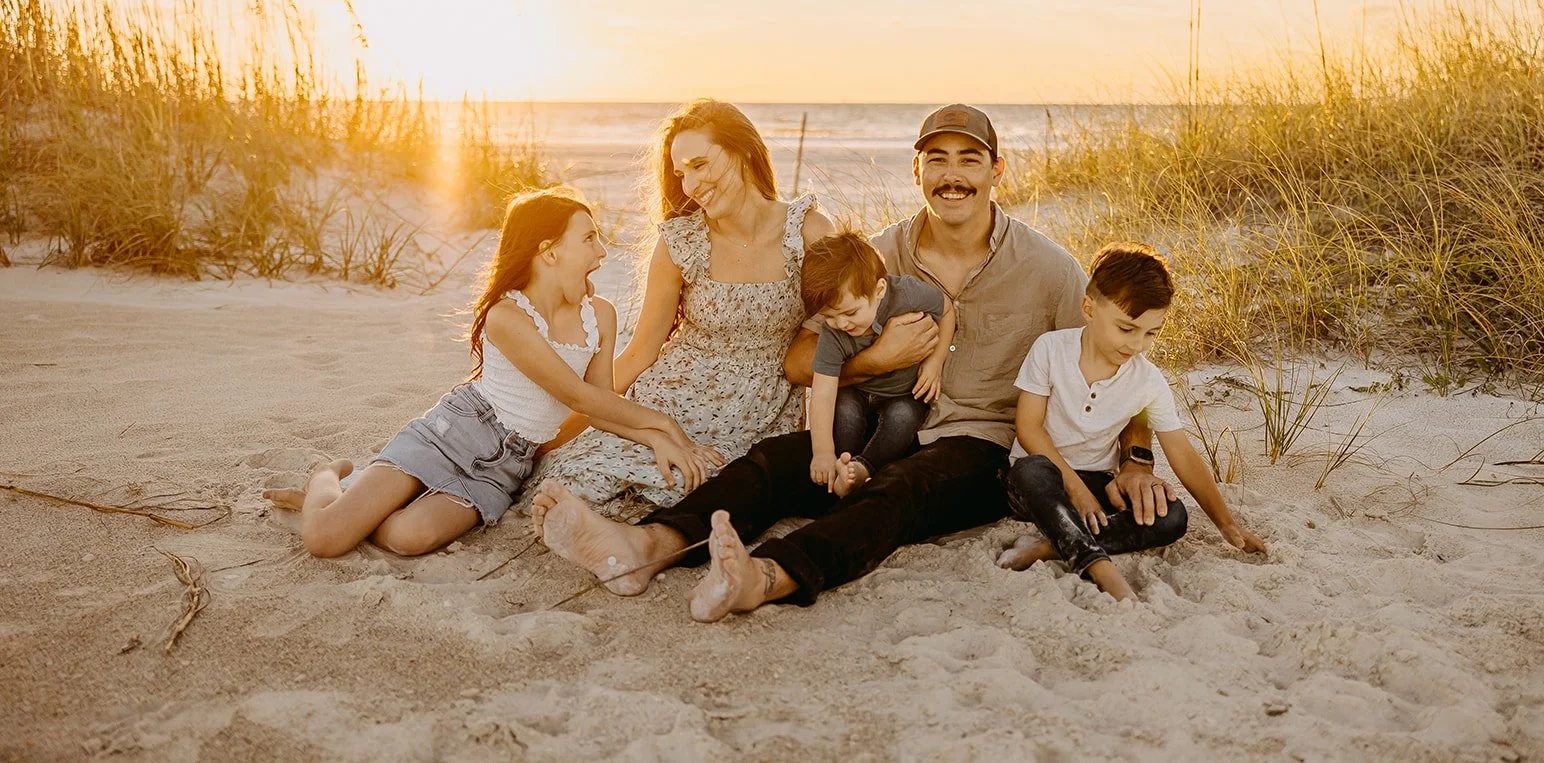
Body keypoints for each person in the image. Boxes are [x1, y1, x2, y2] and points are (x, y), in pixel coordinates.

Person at [530, 103, 1176, 620]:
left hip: (978, 445)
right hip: (872, 424)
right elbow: (799, 360)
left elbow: (1122, 364)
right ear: (915, 172)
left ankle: (765, 576)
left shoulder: (1049, 268)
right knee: (773, 461)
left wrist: (1138, 459)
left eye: (969, 160)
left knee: (899, 493)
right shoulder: (874, 256)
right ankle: (646, 545)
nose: (953, 175)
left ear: (997, 169)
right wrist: (876, 361)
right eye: (937, 160)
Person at [263, 188, 720, 558]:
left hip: (505, 465)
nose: (601, 251)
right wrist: (666, 426)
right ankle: (326, 479)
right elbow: (578, 397)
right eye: (588, 238)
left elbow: (601, 408)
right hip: (453, 432)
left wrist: (658, 441)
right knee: (324, 540)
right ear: (549, 252)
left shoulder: (600, 314)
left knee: (407, 538)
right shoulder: (507, 318)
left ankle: (356, 504)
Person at [527, 99, 834, 513]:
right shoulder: (681, 241)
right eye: (681, 174)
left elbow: (841, 329)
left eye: (699, 165)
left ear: (744, 151)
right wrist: (551, 432)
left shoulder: (808, 231)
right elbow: (639, 354)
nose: (689, 186)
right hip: (669, 400)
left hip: (760, 411)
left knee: (697, 490)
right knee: (582, 476)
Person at [1002, 243, 1268, 600]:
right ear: (1089, 309)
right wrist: (1077, 492)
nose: (1138, 344)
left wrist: (1226, 523)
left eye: (1150, 333)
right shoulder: (1050, 349)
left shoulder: (1148, 380)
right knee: (1031, 470)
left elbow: (1181, 453)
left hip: (1098, 483)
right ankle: (1098, 565)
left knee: (1172, 515)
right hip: (1037, 484)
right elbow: (1028, 429)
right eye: (1126, 328)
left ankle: (1050, 547)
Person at [798, 230, 955, 497]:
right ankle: (843, 465)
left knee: (903, 418)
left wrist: (935, 361)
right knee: (844, 409)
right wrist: (822, 452)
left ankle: (865, 467)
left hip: (902, 392)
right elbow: (822, 393)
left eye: (850, 312)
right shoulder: (832, 333)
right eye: (829, 317)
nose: (841, 324)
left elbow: (947, 309)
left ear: (879, 290)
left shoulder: (907, 294)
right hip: (859, 390)